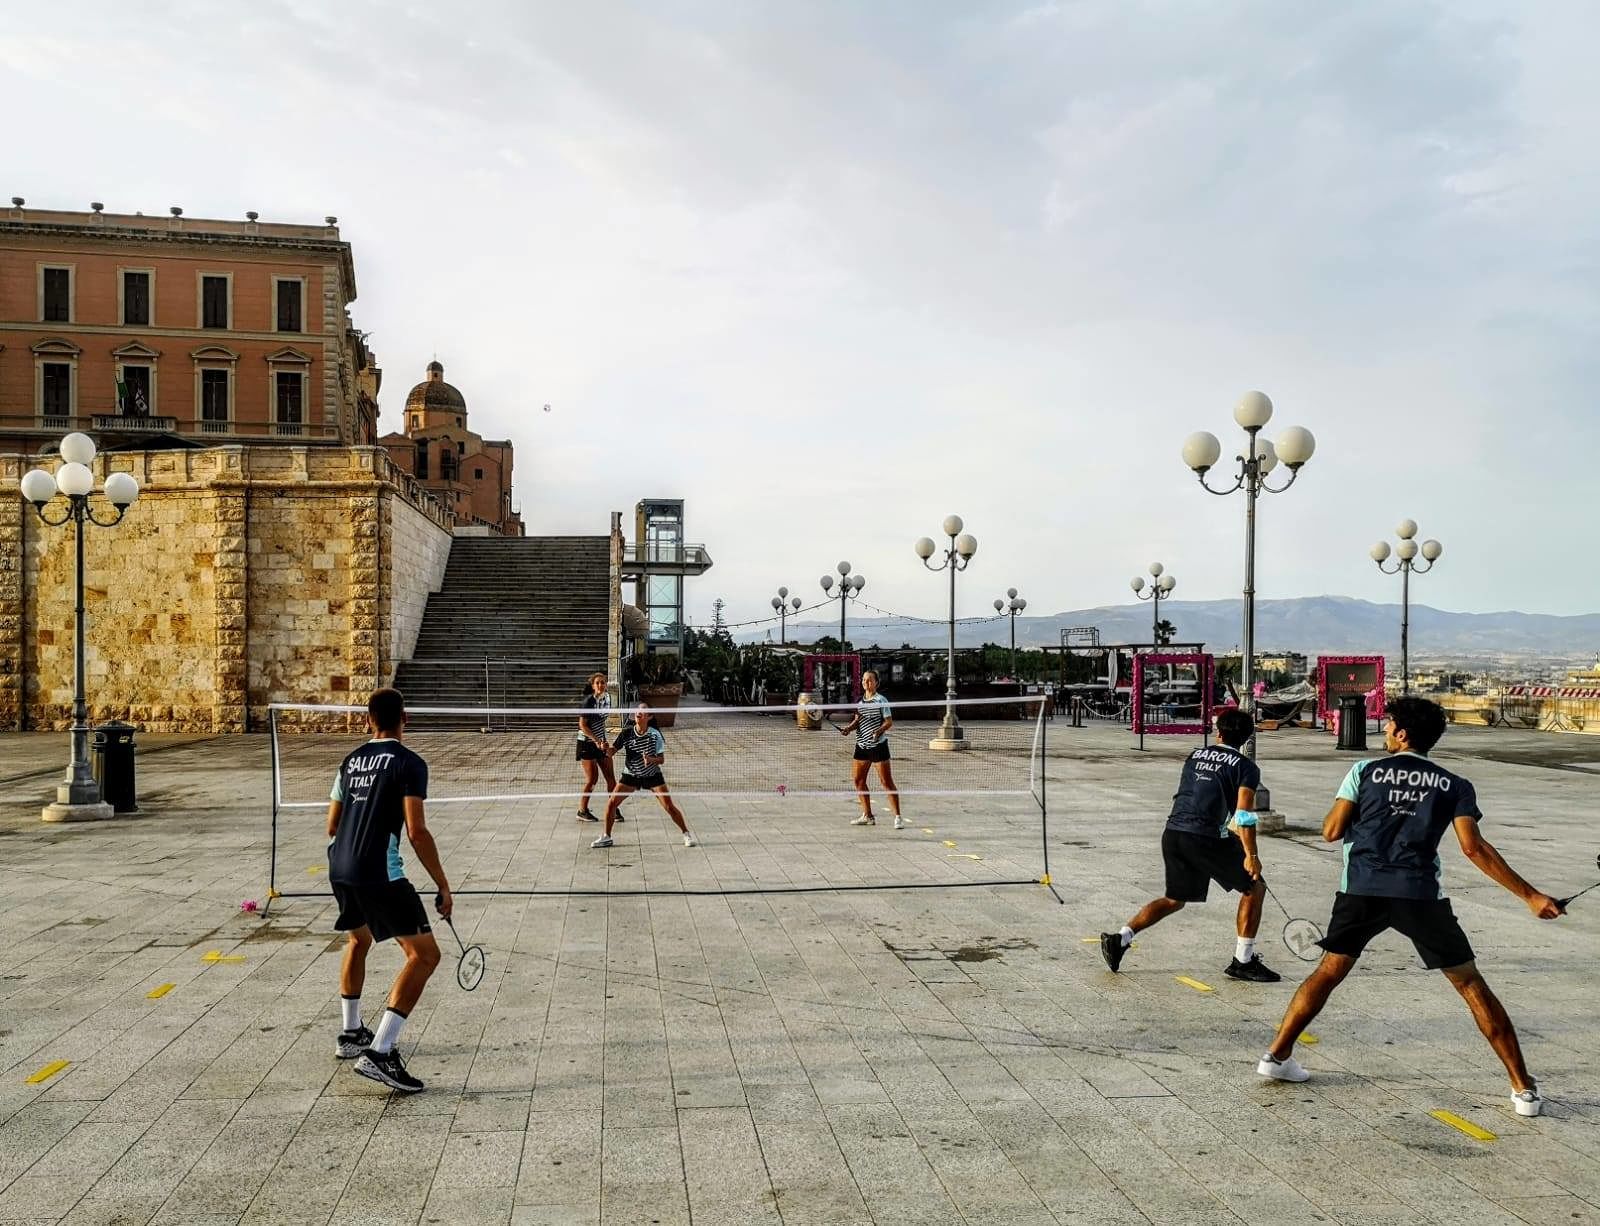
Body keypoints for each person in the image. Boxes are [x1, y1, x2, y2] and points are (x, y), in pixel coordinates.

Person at [1256, 696, 1565, 1115]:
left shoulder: (1363, 771)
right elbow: (1473, 849)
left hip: (1361, 888)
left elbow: (1330, 831)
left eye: (1388, 726)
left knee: (1328, 971)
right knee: (1470, 985)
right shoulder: (1455, 785)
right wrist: (1530, 895)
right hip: (1419, 894)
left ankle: (1275, 1057)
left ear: (1402, 734)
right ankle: (1523, 1088)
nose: (1384, 732)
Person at [326, 687, 451, 1094]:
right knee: (425, 955)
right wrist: (442, 884)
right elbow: (416, 830)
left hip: (339, 867)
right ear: (405, 719)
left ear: (368, 721)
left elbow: (332, 825)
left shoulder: (349, 760)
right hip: (377, 871)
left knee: (358, 939)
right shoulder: (409, 763)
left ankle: (350, 1033)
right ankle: (381, 1051)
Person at [1100, 708, 1280, 982]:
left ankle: (1121, 938)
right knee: (1254, 887)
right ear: (1246, 738)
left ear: (1218, 732)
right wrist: (1251, 854)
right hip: (1203, 837)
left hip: (1173, 833)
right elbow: (1244, 815)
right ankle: (1243, 961)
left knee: (1175, 899)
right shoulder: (1246, 767)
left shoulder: (1195, 755)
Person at [591, 704, 696, 848]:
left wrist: (651, 760)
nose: (638, 713)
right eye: (637, 711)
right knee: (611, 803)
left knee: (669, 806)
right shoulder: (627, 732)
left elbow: (661, 759)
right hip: (631, 775)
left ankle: (686, 834)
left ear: (649, 717)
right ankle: (607, 837)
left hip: (652, 775)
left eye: (643, 711)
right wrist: (605, 749)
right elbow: (612, 751)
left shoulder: (655, 734)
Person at [838, 670, 902, 829]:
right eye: (864, 680)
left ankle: (897, 817)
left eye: (870, 680)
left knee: (886, 782)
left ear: (876, 683)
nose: (866, 682)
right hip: (861, 746)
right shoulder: (860, 702)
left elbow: (888, 722)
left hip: (878, 746)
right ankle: (867, 815)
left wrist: (878, 731)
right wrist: (848, 729)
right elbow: (857, 722)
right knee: (858, 781)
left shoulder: (881, 700)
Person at [575, 672, 622, 823]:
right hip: (586, 744)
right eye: (598, 683)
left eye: (603, 682)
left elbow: (601, 723)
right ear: (593, 685)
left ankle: (613, 809)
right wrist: (595, 740)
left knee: (611, 779)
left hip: (601, 743)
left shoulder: (607, 698)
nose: (601, 685)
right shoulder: (588, 701)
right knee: (592, 779)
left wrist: (603, 741)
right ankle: (582, 811)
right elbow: (582, 725)